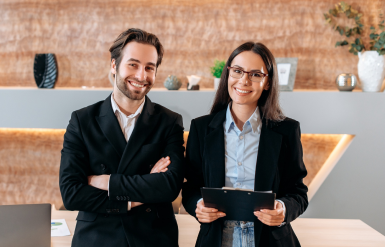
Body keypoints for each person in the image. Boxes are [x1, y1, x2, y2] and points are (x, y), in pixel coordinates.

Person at [59, 28, 185, 247]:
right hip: (96, 237)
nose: (141, 76)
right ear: (114, 65)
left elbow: (169, 186)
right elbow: (71, 193)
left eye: (149, 68)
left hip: (153, 238)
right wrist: (138, 194)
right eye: (133, 64)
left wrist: (106, 181)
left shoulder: (169, 121)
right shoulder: (82, 120)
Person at [182, 41, 308, 247]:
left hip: (270, 239)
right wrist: (198, 206)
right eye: (238, 71)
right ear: (228, 75)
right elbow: (191, 187)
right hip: (216, 237)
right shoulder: (201, 128)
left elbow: (298, 193)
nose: (244, 80)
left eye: (255, 74)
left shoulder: (286, 131)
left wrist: (282, 210)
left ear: (267, 82)